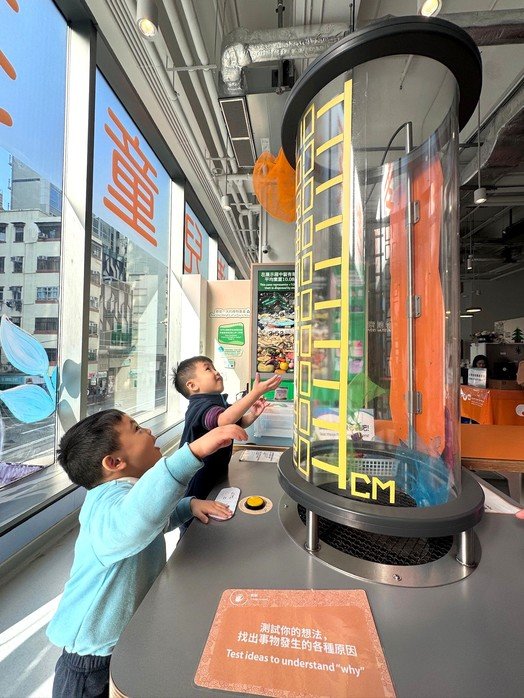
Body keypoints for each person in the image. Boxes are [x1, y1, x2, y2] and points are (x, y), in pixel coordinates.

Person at [47, 409, 247, 698]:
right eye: (137, 429)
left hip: (123, 641)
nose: (150, 431)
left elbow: (154, 522)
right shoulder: (103, 507)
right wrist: (193, 453)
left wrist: (188, 506)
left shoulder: (127, 492)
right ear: (114, 462)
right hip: (91, 662)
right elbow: (134, 523)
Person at [172, 356, 282, 502]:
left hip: (215, 473)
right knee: (198, 510)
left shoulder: (217, 403)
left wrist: (253, 415)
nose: (216, 372)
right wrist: (255, 393)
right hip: (198, 480)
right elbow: (224, 421)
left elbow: (238, 422)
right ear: (192, 385)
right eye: (208, 369)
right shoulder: (199, 406)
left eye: (214, 368)